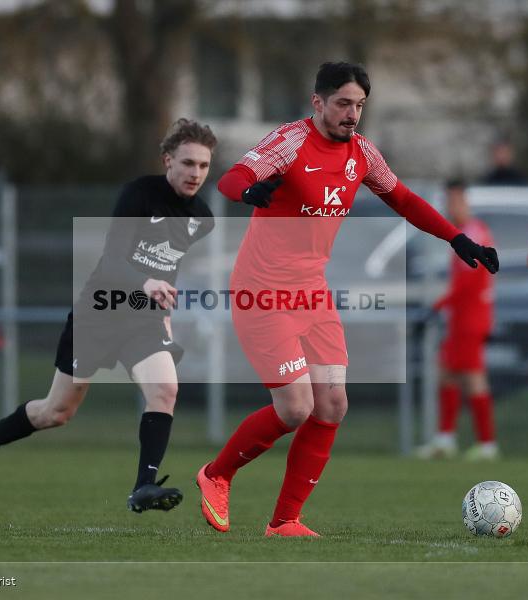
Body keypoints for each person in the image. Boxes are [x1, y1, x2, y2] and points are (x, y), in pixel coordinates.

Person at [195, 62, 499, 537]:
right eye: (342, 103)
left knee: (332, 403)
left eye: (359, 105)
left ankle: (285, 521)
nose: (352, 114)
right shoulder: (292, 141)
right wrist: (251, 191)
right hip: (262, 290)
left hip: (312, 291)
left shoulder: (363, 154)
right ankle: (217, 474)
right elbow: (231, 178)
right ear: (317, 102)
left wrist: (457, 239)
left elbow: (403, 199)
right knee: (295, 407)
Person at [0, 118, 218, 513]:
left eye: (203, 165)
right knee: (56, 412)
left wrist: (163, 309)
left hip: (142, 319)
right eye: (187, 163)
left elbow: (170, 260)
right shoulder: (138, 195)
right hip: (100, 312)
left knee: (165, 390)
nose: (195, 173)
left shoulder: (203, 218)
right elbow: (113, 259)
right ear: (168, 161)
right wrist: (146, 282)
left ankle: (143, 487)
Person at [416, 179, 498, 461]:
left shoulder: (474, 232)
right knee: (447, 372)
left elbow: (468, 281)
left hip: (471, 317)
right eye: (448, 201)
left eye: (454, 200)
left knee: (473, 378)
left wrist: (438, 306)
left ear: (464, 200)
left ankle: (487, 444)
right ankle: (446, 439)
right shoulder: (467, 231)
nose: (450, 207)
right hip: (464, 316)